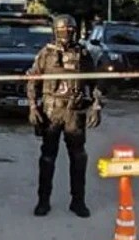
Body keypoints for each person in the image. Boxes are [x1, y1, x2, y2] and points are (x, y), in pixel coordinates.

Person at [25, 14, 103, 218]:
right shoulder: (46, 53)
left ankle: (78, 201)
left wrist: (96, 106)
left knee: (78, 158)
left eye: (71, 30)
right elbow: (32, 81)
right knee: (47, 158)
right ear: (55, 31)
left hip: (74, 113)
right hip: (51, 113)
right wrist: (33, 106)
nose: (67, 33)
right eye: (63, 29)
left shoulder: (83, 54)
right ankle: (43, 201)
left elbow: (95, 83)